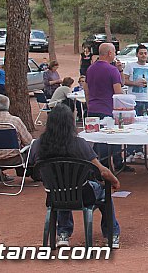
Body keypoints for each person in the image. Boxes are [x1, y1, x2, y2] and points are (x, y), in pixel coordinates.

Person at [28, 104, 121, 249]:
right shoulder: (79, 144)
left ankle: (63, 233)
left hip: (53, 194)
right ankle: (112, 234)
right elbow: (102, 171)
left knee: (63, 188)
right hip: (83, 194)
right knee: (103, 193)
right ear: (70, 123)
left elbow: (33, 167)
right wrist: (114, 181)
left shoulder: (38, 144)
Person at [84, 43, 127, 172]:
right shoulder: (111, 70)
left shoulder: (90, 69)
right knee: (110, 139)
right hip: (108, 110)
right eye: (114, 53)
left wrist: (88, 104)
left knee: (97, 140)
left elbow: (86, 89)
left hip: (93, 109)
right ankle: (109, 167)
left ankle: (100, 167)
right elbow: (118, 92)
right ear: (109, 53)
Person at [0, 94, 33, 183]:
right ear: (8, 107)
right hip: (15, 159)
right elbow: (28, 141)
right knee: (31, 147)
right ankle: (32, 173)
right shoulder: (14, 120)